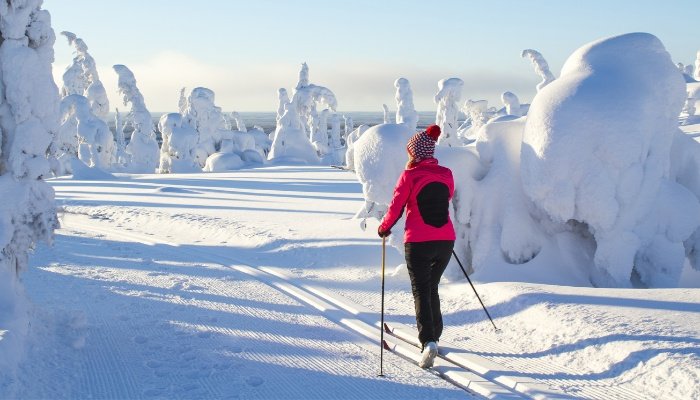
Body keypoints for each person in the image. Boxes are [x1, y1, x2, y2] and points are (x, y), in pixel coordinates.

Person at [378, 124, 455, 369]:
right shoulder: (446, 173)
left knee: (421, 289)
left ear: (414, 152)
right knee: (432, 286)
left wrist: (384, 227)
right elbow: (447, 197)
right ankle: (435, 335)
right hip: (445, 241)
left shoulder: (409, 175)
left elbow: (396, 206)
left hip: (419, 242)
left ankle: (428, 340)